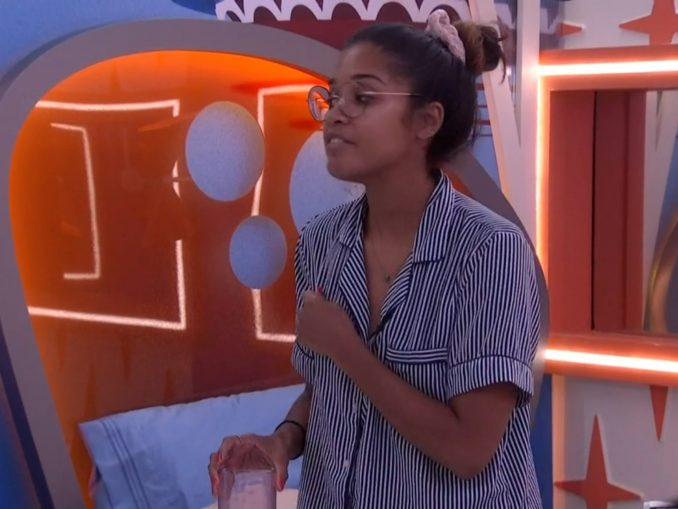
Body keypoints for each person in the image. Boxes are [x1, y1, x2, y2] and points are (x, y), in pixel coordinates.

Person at [209, 9, 542, 508]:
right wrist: (281, 441)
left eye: (362, 97)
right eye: (333, 96)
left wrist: (349, 350)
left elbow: (469, 448)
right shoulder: (320, 243)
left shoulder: (489, 251)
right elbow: (326, 391)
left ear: (427, 120)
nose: (335, 114)